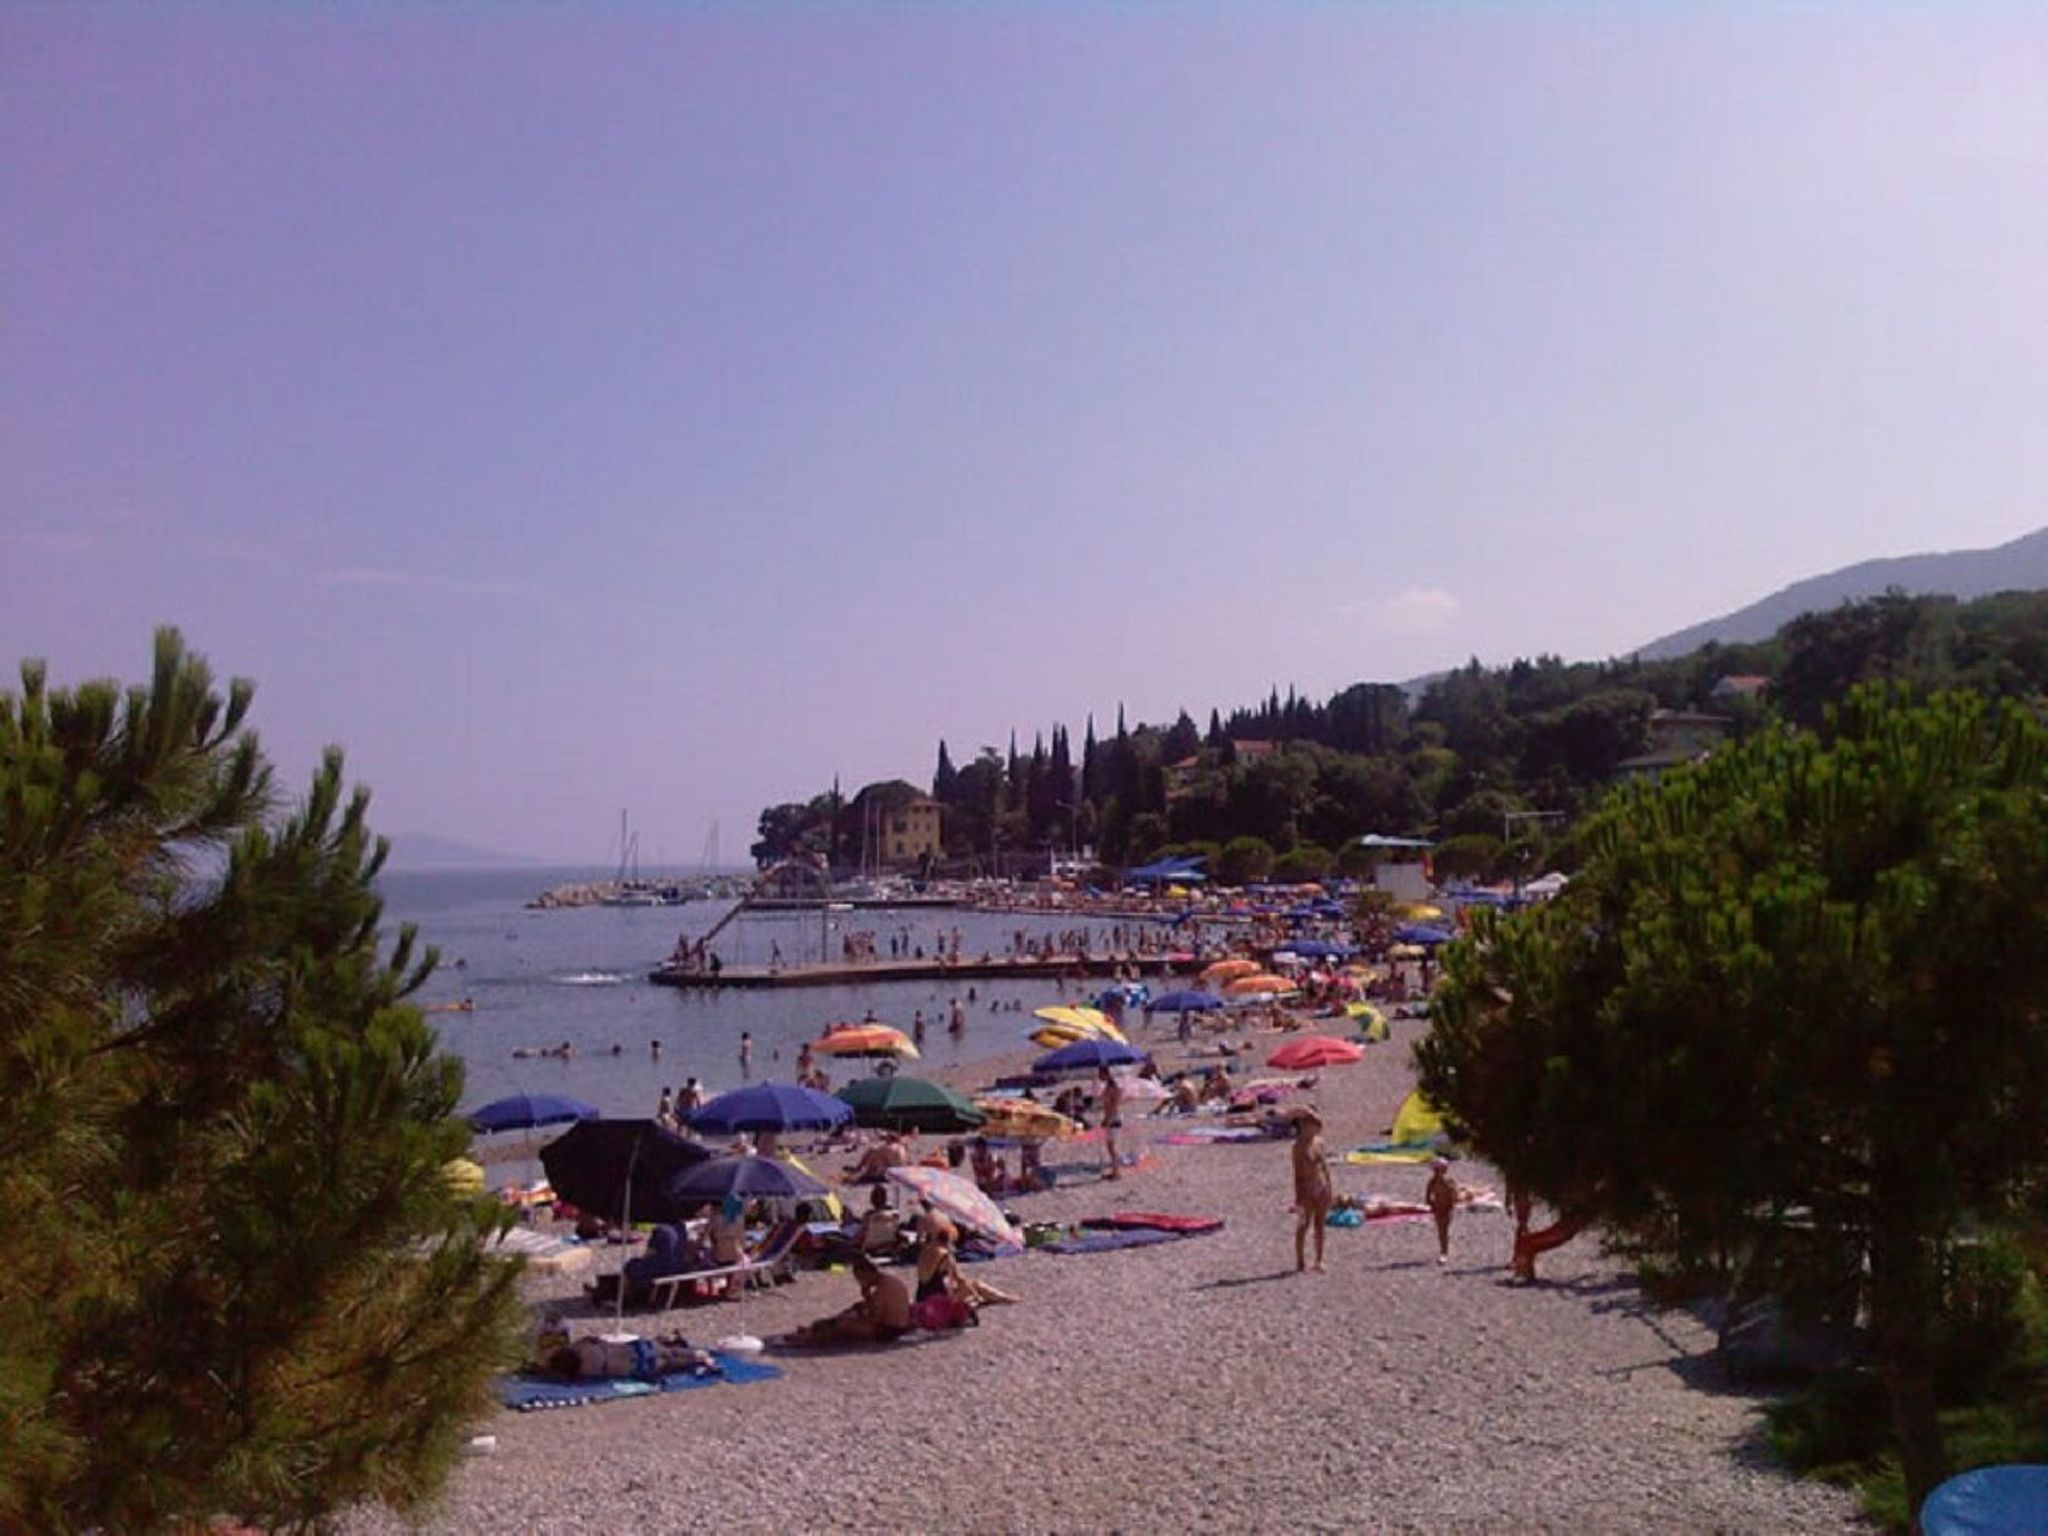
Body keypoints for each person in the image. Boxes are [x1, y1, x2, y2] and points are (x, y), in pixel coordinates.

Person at [788, 1253, 913, 1345]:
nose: (860, 1282)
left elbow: (875, 1318)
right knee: (851, 1312)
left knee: (844, 1324)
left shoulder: (883, 1289)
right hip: (892, 1324)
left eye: (860, 1279)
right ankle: (813, 1330)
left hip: (889, 1330)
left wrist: (864, 1302)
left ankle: (811, 1340)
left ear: (866, 1274)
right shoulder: (887, 1280)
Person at [544, 1332, 717, 1382]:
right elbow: (595, 1338)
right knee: (667, 1351)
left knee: (669, 1363)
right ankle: (697, 1354)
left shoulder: (581, 1373)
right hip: (637, 1349)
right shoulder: (582, 1345)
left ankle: (697, 1359)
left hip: (639, 1366)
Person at [1292, 1109, 1333, 1274]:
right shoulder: (1298, 1147)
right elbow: (1297, 1173)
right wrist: (1298, 1195)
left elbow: (1324, 1166)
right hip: (1306, 1188)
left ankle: (1319, 1259)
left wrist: (1329, 1187)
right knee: (1303, 1225)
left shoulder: (1320, 1143)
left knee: (1320, 1224)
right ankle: (1300, 1260)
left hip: (1321, 1186)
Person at [1425, 1157, 1458, 1266]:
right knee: (1441, 1231)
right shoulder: (1432, 1182)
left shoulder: (1449, 1181)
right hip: (1438, 1209)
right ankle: (1443, 1250)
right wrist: (1431, 1205)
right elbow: (1427, 1196)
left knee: (1444, 1230)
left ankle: (1444, 1252)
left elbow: (1453, 1194)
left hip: (1447, 1209)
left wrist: (1452, 1205)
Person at [1097, 1066, 1124, 1181]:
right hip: (1111, 1117)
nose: (1099, 1077)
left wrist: (1108, 1120)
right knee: (1111, 1147)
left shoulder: (1113, 1088)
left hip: (1113, 1118)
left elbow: (1113, 1106)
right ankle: (1115, 1171)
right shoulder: (1109, 1087)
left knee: (1112, 1148)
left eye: (1101, 1074)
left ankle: (1116, 1172)